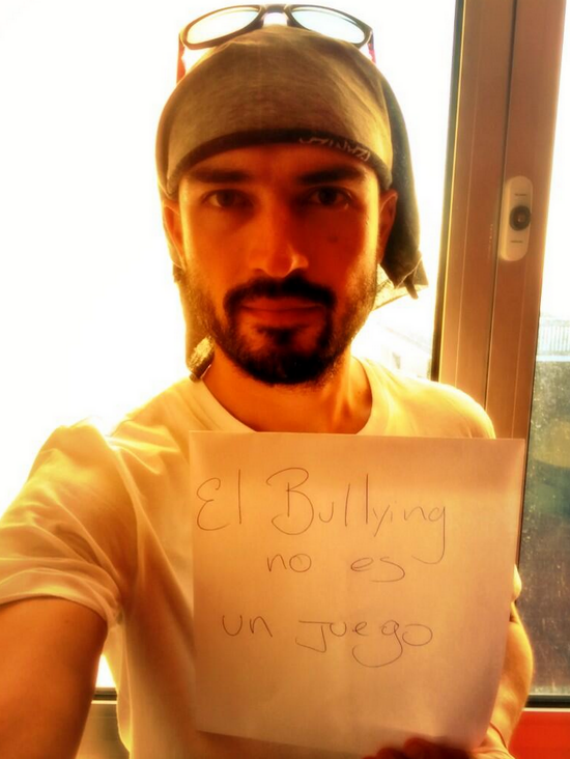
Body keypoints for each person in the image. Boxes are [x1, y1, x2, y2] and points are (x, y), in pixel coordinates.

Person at [0, 6, 532, 759]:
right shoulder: (111, 480)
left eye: (325, 195)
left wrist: (491, 733)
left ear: (382, 223)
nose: (278, 256)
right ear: (176, 230)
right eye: (227, 198)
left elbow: (499, 634)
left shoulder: (454, 432)